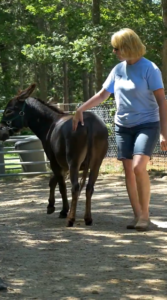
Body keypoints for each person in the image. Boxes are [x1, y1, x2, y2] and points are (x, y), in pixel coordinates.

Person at [72, 28, 167, 231]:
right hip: (123, 126)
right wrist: (80, 108)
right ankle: (137, 215)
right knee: (128, 171)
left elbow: (161, 101)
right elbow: (103, 94)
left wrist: (163, 132)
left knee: (138, 167)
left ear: (127, 47)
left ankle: (145, 215)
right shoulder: (118, 70)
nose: (114, 52)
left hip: (147, 124)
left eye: (117, 48)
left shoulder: (150, 69)